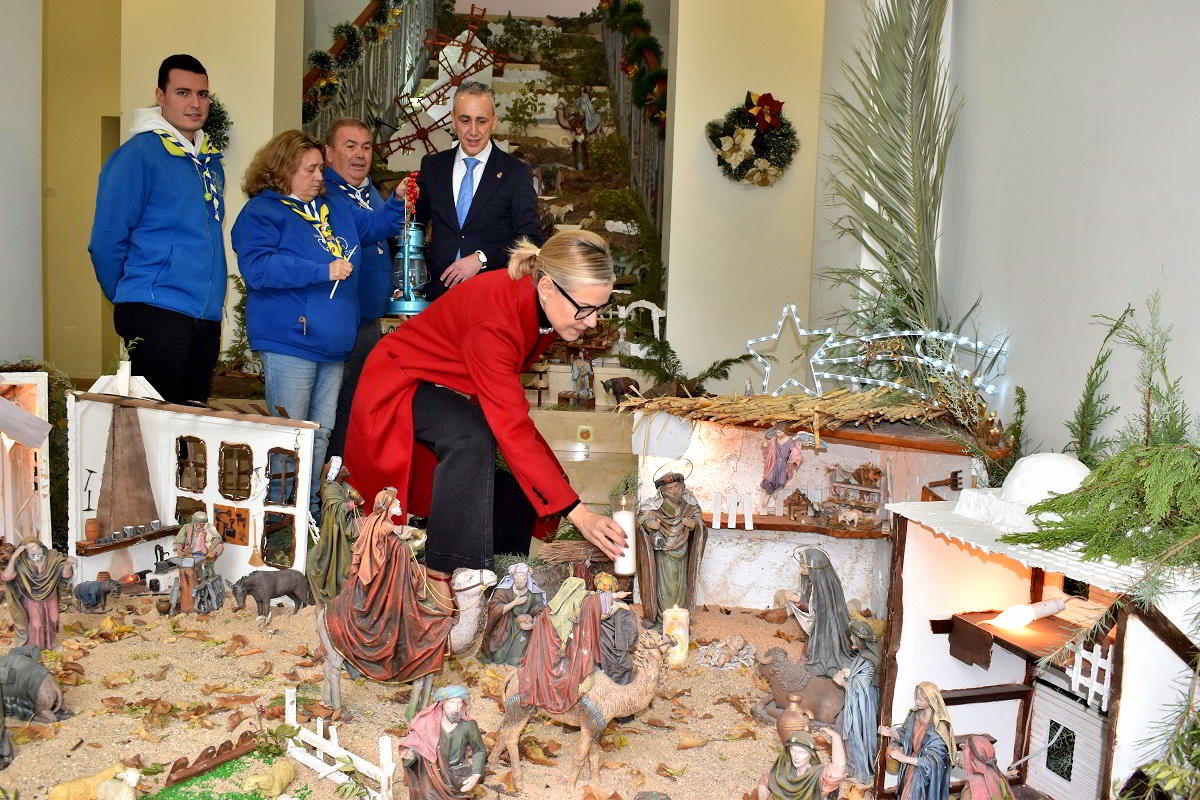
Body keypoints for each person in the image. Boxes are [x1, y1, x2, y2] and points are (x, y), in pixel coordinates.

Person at [343, 229, 626, 606]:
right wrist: (578, 512)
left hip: (444, 384)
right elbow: (511, 426)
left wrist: (561, 495)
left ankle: (506, 570)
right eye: (585, 309)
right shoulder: (496, 321)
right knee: (471, 438)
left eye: (600, 309)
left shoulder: (539, 304)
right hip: (399, 382)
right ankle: (444, 577)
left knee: (511, 471)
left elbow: (513, 421)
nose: (592, 322)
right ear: (547, 289)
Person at [231, 130, 406, 514]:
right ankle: (280, 517)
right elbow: (258, 269)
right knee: (289, 434)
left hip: (334, 342)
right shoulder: (262, 212)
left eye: (319, 169)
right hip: (290, 340)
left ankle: (308, 510)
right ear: (283, 171)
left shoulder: (334, 206)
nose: (318, 177)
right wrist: (321, 270)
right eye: (310, 170)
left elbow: (376, 228)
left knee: (320, 434)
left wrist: (396, 202)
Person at [89, 54, 226, 404]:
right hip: (156, 312)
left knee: (191, 432)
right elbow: (106, 240)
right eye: (182, 92)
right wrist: (131, 297)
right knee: (154, 430)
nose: (195, 103)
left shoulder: (208, 162)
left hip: (204, 314)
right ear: (160, 96)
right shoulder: (138, 155)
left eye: (202, 94)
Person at [412, 81, 542, 302]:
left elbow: (530, 240)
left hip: (492, 298)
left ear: (494, 122)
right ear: (453, 120)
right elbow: (413, 227)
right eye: (465, 120)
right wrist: (408, 290)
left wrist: (482, 258)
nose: (473, 131)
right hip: (438, 299)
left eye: (481, 121)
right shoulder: (433, 167)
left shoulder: (516, 172)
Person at [321, 118, 402, 459]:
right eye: (350, 146)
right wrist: (399, 201)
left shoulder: (369, 193)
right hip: (341, 320)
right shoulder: (328, 194)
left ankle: (346, 487)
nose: (360, 155)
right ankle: (329, 490)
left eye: (366, 147)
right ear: (328, 153)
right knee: (337, 408)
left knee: (357, 404)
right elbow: (372, 229)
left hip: (369, 321)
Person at [326, 488, 452, 684]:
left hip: (371, 578)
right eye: (396, 503)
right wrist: (418, 542)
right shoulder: (385, 529)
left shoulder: (375, 522)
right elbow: (399, 550)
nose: (399, 505)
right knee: (406, 607)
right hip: (382, 583)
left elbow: (392, 540)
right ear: (388, 506)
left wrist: (408, 535)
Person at [634, 472, 708, 627]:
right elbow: (641, 518)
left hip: (683, 550)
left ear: (682, 487)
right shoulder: (655, 506)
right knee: (666, 586)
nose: (674, 491)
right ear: (662, 491)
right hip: (663, 552)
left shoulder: (689, 505)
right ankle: (662, 619)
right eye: (670, 488)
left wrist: (694, 525)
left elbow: (699, 520)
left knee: (681, 586)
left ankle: (678, 620)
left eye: (676, 487)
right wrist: (648, 524)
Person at [398, 684, 485, 799]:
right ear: (442, 705)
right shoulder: (428, 724)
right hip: (432, 775)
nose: (456, 708)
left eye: (459, 703)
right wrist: (411, 755)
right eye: (452, 703)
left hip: (457, 774)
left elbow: (479, 750)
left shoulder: (469, 725)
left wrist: (476, 774)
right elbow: (418, 747)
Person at [784, 549, 855, 677]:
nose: (800, 570)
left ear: (814, 568)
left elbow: (818, 610)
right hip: (819, 625)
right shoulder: (813, 581)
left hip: (827, 627)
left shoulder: (823, 585)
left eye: (803, 567)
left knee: (822, 653)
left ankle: (823, 658)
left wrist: (797, 600)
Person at [880, 682, 955, 800]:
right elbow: (905, 734)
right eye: (916, 698)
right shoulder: (914, 715)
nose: (917, 702)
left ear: (931, 700)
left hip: (924, 775)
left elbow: (935, 760)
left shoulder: (939, 728)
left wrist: (904, 759)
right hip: (910, 768)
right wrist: (890, 733)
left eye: (921, 699)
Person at [308, 458, 364, 605]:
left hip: (347, 523)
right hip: (335, 528)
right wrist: (352, 504)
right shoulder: (329, 488)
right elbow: (335, 509)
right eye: (342, 467)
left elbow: (359, 500)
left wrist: (359, 502)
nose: (346, 468)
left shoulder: (345, 486)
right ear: (337, 472)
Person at [1, 538, 74, 650]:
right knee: (36, 624)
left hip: (50, 594)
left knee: (53, 619)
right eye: (29, 549)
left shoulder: (52, 559)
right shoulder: (22, 563)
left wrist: (68, 565)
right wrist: (14, 557)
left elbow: (66, 575)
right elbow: (7, 576)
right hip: (30, 596)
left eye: (34, 547)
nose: (32, 551)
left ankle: (51, 644)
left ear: (41, 547)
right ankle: (35, 648)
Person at [834, 618, 882, 785]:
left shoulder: (869, 660)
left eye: (853, 637)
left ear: (860, 639)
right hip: (858, 704)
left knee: (856, 735)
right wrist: (850, 672)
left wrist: (843, 683)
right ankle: (850, 765)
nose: (851, 640)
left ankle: (859, 770)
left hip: (862, 708)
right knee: (841, 726)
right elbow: (859, 676)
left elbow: (860, 689)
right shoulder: (863, 655)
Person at [479, 563, 546, 666]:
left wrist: (533, 623)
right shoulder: (503, 590)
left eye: (523, 576)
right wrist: (514, 603)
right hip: (504, 625)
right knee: (497, 656)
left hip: (523, 626)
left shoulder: (533, 593)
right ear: (513, 576)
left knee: (517, 659)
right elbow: (494, 608)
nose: (519, 579)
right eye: (517, 576)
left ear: (527, 577)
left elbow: (540, 609)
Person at [756, 728, 847, 800]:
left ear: (811, 755)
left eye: (802, 753)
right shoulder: (784, 774)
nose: (796, 756)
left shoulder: (817, 776)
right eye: (793, 751)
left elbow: (839, 767)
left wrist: (836, 737)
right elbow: (765, 781)